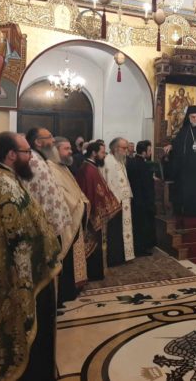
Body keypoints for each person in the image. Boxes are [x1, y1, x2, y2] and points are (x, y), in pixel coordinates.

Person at [0, 132, 61, 381]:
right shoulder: (4, 184)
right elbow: (23, 232)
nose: (30, 157)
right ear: (11, 154)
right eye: (26, 152)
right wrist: (49, 247)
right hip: (13, 272)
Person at [48, 137, 90, 305]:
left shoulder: (63, 167)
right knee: (66, 257)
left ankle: (74, 286)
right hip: (65, 221)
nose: (70, 151)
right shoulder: (50, 168)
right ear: (55, 150)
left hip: (74, 218)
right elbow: (62, 196)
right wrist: (80, 204)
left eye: (70, 148)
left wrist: (83, 201)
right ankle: (65, 291)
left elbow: (75, 190)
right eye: (66, 148)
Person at [23, 128, 74, 261]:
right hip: (43, 228)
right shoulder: (35, 162)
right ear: (38, 142)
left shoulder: (40, 159)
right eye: (50, 137)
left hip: (49, 226)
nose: (53, 140)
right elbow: (37, 196)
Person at [75, 141, 121, 280]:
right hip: (93, 214)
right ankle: (94, 274)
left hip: (96, 212)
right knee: (94, 243)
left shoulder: (91, 167)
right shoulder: (88, 169)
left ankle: (96, 272)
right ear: (94, 153)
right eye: (102, 152)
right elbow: (94, 193)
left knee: (99, 243)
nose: (104, 155)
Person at [101, 137, 136, 265]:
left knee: (123, 230)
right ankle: (114, 258)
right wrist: (113, 201)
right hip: (114, 202)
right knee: (114, 231)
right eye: (124, 148)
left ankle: (124, 255)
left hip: (124, 201)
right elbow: (107, 184)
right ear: (116, 149)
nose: (127, 150)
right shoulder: (107, 162)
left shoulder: (120, 160)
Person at [127, 140, 157, 256]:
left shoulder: (131, 162)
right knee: (142, 225)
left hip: (133, 199)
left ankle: (137, 247)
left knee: (136, 225)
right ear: (144, 152)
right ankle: (141, 249)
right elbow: (147, 186)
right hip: (143, 201)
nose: (150, 152)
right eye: (149, 150)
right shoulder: (144, 166)